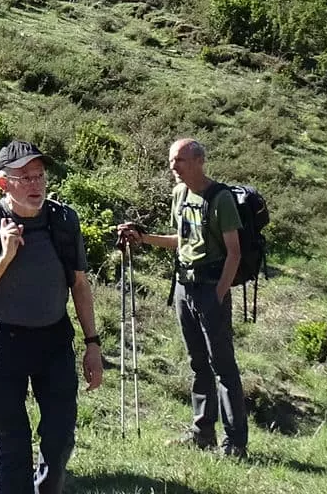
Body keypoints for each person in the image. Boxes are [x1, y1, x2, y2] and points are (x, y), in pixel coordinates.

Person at [0, 141, 104, 494]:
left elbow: (80, 285)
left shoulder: (64, 219)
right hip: (3, 342)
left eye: (39, 175)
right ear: (3, 183)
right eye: (24, 177)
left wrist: (92, 344)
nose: (35, 184)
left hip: (53, 341)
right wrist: (5, 257)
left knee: (59, 442)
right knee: (12, 445)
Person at [118, 139, 247, 460]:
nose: (173, 167)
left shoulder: (221, 198)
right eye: (172, 161)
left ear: (200, 161)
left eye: (180, 161)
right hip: (183, 287)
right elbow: (181, 240)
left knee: (223, 366)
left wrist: (218, 294)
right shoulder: (179, 194)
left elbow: (234, 253)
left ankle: (235, 443)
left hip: (209, 289)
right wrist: (143, 238)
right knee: (197, 363)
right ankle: (203, 433)